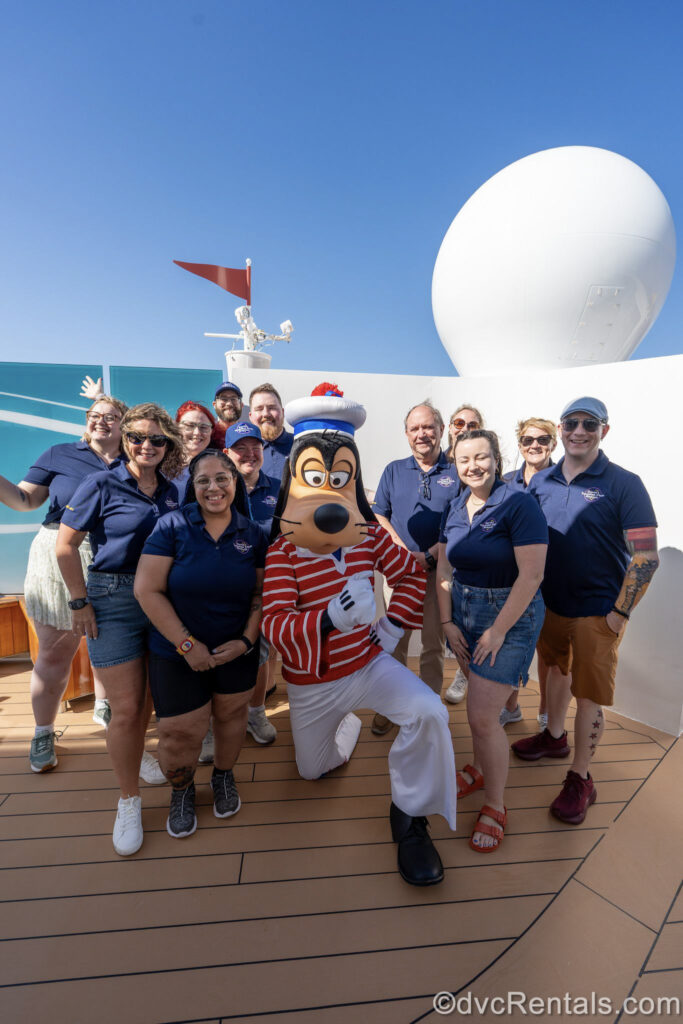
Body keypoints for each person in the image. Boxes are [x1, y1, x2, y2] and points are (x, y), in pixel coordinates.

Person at [262, 385, 458, 886]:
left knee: (430, 712)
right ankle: (344, 726)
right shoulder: (283, 550)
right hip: (314, 682)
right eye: (316, 478)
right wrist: (327, 618)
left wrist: (391, 627)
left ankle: (410, 815)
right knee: (312, 769)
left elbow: (412, 576)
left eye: (340, 477)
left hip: (369, 664)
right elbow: (276, 626)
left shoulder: (368, 536)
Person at [512, 398, 659, 825]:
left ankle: (581, 777)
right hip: (551, 606)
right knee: (556, 672)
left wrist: (620, 614)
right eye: (571, 423)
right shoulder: (542, 482)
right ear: (560, 429)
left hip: (599, 611)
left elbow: (646, 556)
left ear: (604, 431)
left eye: (589, 424)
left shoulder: (624, 483)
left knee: (590, 696)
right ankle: (554, 737)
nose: (579, 430)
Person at [56, 402, 185, 856]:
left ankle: (136, 756)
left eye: (156, 439)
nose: (146, 446)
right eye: (137, 438)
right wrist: (79, 602)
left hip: (164, 599)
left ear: (167, 444)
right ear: (125, 438)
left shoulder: (172, 491)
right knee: (127, 709)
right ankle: (128, 799)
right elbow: (65, 546)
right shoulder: (102, 482)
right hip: (113, 599)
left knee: (148, 698)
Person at [134, 450, 266, 838]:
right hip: (176, 652)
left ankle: (223, 777)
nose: (214, 488)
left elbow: (261, 594)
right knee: (179, 732)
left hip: (236, 650)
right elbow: (147, 590)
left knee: (231, 716)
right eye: (203, 480)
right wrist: (188, 646)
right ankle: (182, 789)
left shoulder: (253, 533)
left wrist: (245, 642)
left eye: (222, 479)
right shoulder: (171, 526)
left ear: (234, 483)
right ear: (192, 487)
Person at [0, 395, 128, 771]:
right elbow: (25, 501)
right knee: (55, 654)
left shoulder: (136, 457)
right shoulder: (59, 453)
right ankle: (43, 731)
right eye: (95, 415)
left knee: (113, 642)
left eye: (111, 416)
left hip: (114, 557)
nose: (102, 421)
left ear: (124, 424)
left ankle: (105, 709)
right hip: (59, 553)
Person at [437, 428, 547, 852]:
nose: (473, 467)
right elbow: (444, 572)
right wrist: (447, 623)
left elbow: (532, 575)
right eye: (464, 460)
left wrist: (497, 630)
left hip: (509, 618)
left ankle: (496, 805)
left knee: (481, 715)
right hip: (464, 614)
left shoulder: (518, 504)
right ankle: (482, 767)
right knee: (484, 709)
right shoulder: (455, 506)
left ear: (496, 459)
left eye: (481, 458)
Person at [372, 402, 459, 734]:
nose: (422, 434)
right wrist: (401, 550)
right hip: (399, 573)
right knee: (395, 643)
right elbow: (379, 514)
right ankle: (394, 708)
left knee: (434, 646)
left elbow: (462, 520)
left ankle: (428, 709)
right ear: (406, 433)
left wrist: (432, 555)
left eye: (428, 427)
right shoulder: (394, 470)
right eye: (415, 428)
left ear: (439, 429)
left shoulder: (456, 470)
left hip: (441, 574)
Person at [499, 417, 558, 729]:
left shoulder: (566, 481)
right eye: (527, 440)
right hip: (512, 579)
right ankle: (511, 707)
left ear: (553, 443)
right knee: (512, 647)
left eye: (542, 439)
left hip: (553, 581)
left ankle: (546, 713)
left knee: (546, 653)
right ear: (519, 445)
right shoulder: (506, 481)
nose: (535, 445)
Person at [224, 422, 280, 744]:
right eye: (240, 448)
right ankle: (212, 725)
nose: (249, 454)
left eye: (254, 447)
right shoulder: (217, 488)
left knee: (259, 654)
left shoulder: (279, 488)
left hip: (265, 587)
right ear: (228, 453)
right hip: (224, 587)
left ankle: (256, 713)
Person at [443, 404, 485, 706]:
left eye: (473, 422)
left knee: (476, 631)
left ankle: (489, 694)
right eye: (459, 422)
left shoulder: (483, 463)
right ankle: (463, 672)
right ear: (450, 427)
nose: (465, 426)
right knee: (453, 631)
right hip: (444, 559)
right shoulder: (440, 465)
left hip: (473, 561)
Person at [248, 383, 294, 481]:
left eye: (272, 408)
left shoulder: (300, 445)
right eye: (259, 409)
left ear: (283, 412)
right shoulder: (243, 453)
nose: (266, 414)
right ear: (250, 416)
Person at [174, 401, 216, 502]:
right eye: (189, 426)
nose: (197, 433)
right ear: (177, 428)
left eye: (204, 427)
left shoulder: (220, 466)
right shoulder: (161, 466)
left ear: (211, 432)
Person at [211, 381, 243, 447]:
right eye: (224, 399)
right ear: (214, 405)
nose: (229, 404)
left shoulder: (249, 434)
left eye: (234, 399)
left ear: (241, 405)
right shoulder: (208, 435)